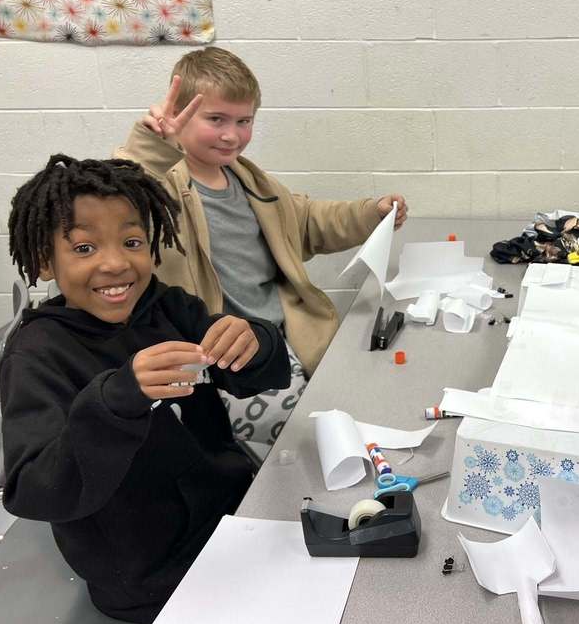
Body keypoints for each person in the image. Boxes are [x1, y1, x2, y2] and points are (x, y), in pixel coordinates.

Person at [0, 154, 290, 624]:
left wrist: (255, 342)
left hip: (230, 520)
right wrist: (117, 399)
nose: (115, 264)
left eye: (131, 241)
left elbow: (254, 374)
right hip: (144, 575)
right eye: (84, 249)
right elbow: (34, 489)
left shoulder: (167, 306)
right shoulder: (37, 354)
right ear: (43, 261)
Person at [115, 46, 407, 444]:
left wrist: (371, 212)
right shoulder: (162, 187)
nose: (231, 134)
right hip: (223, 356)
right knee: (315, 439)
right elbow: (117, 200)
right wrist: (151, 147)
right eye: (215, 119)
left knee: (360, 403)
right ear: (179, 118)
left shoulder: (248, 179)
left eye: (243, 121)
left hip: (282, 340)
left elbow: (305, 221)